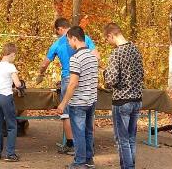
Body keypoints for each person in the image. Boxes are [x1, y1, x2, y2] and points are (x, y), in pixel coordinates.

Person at [36, 18, 99, 154]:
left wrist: (40, 74)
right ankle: (89, 145)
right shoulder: (85, 38)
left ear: (59, 29)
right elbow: (96, 57)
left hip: (68, 78)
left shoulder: (57, 43)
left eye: (57, 32)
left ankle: (71, 144)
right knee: (88, 113)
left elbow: (44, 64)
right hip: (86, 78)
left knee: (67, 114)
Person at [104, 23, 144, 169]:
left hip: (122, 101)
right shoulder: (136, 50)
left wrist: (104, 73)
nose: (108, 42)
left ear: (111, 35)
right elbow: (141, 75)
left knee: (122, 140)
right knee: (131, 139)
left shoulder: (116, 53)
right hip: (137, 99)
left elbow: (111, 81)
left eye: (107, 39)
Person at [57, 26, 98, 169]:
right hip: (91, 100)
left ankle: (79, 162)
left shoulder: (75, 58)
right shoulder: (94, 56)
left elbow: (73, 83)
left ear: (74, 38)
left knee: (78, 133)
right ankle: (89, 160)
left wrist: (63, 103)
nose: (68, 43)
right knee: (88, 131)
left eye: (68, 40)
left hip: (78, 102)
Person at [0, 42, 22, 162]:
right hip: (6, 97)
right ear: (12, 54)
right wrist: (19, 86)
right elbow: (17, 83)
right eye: (15, 56)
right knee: (11, 126)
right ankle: (10, 153)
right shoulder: (11, 66)